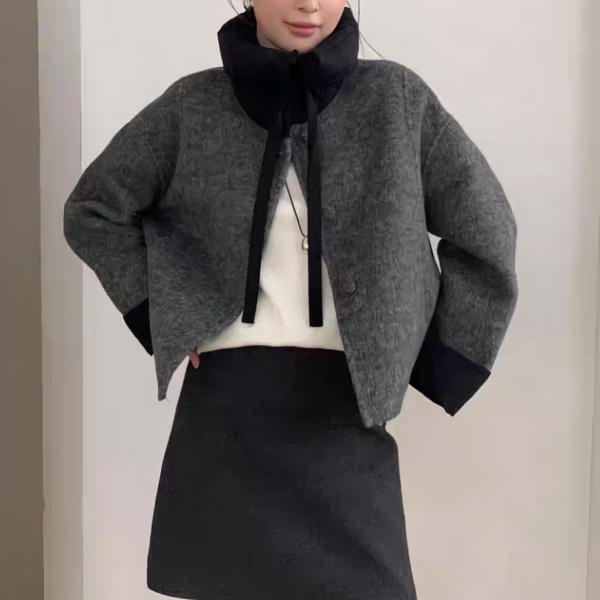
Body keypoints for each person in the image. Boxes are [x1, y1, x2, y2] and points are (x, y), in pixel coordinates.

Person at [63, 1, 518, 598]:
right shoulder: (192, 106)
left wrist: (435, 357)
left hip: (344, 414)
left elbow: (487, 230)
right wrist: (166, 316)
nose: (310, 3)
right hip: (224, 417)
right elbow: (93, 211)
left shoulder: (397, 101)